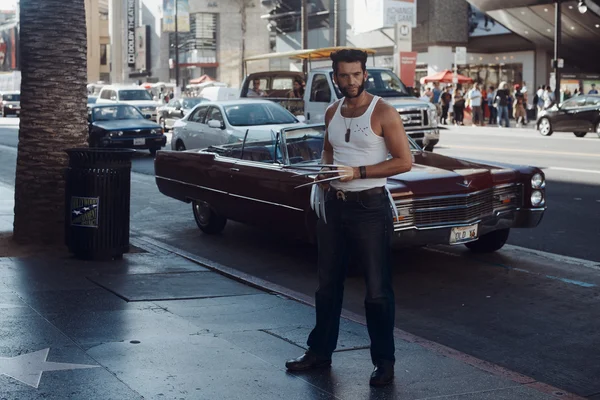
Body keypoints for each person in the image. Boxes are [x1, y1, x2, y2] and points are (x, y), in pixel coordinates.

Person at [284, 48, 413, 387]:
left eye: (357, 74)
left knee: (376, 289)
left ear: (365, 74)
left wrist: (357, 172)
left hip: (371, 208)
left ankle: (384, 362)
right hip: (335, 205)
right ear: (335, 76)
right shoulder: (332, 111)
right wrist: (323, 176)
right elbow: (329, 149)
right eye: (344, 75)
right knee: (326, 285)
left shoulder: (383, 111)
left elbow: (403, 162)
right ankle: (319, 352)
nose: (351, 81)